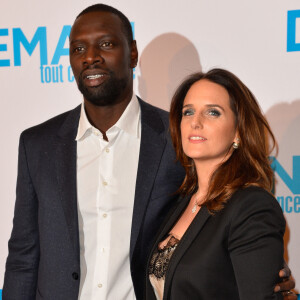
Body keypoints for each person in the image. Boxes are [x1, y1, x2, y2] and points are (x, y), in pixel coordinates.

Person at [2, 4, 296, 300]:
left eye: (105, 44)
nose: (90, 57)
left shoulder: (178, 140)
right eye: (78, 48)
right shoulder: (37, 145)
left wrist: (267, 271)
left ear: (132, 53)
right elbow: (23, 257)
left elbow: (228, 222)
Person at [146, 69, 297, 299]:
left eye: (212, 112)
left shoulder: (251, 206)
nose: (195, 122)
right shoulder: (182, 200)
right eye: (188, 112)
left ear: (238, 131)